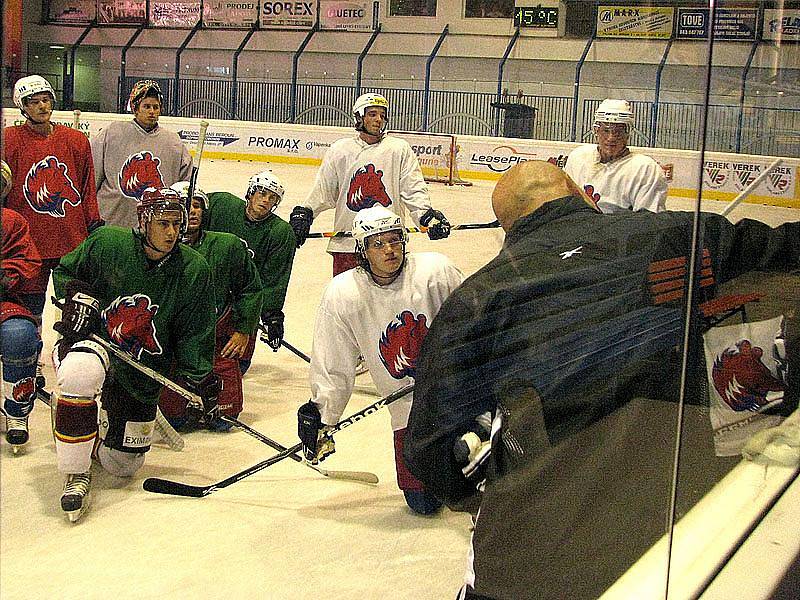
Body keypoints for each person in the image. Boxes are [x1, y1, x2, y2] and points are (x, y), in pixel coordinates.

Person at [404, 161, 800, 598]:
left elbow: (430, 452)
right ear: (582, 192)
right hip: (688, 523)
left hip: (544, 542)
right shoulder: (682, 237)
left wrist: (480, 494)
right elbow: (786, 251)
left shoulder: (478, 299)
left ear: (508, 227)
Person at [51, 187, 218, 522]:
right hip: (95, 341)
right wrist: (77, 300)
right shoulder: (107, 243)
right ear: (144, 222)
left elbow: (196, 329)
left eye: (176, 223)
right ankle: (76, 470)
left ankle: (92, 430)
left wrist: (198, 376)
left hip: (142, 368)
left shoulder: (194, 269)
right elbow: (66, 272)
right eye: (163, 223)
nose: (172, 233)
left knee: (123, 466)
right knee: (79, 373)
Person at [296, 205, 464, 515]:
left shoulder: (435, 272)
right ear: (362, 250)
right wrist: (322, 417)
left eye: (395, 240)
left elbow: (473, 324)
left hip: (454, 397)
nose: (390, 250)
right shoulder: (344, 293)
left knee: (475, 480)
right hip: (405, 410)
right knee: (424, 503)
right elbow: (334, 362)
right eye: (378, 243)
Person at [289, 93, 452, 276]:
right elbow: (323, 191)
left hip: (389, 244)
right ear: (359, 116)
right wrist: (306, 213)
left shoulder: (398, 149)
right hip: (348, 245)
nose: (379, 119)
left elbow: (413, 189)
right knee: (346, 300)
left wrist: (426, 217)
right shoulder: (340, 150)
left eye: (382, 115)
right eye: (372, 114)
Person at [159, 182, 263, 431]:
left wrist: (243, 330)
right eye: (186, 206)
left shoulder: (227, 246)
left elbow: (250, 288)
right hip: (172, 345)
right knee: (174, 417)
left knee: (225, 419)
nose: (192, 211)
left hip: (215, 341)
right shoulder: (155, 250)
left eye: (197, 205)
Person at [3, 75, 102, 334]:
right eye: (34, 102)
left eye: (46, 100)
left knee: (75, 312)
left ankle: (67, 353)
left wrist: (94, 224)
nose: (42, 106)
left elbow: (86, 187)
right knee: (29, 313)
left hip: (70, 241)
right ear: (22, 107)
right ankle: (30, 361)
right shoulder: (9, 141)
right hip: (28, 246)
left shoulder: (76, 140)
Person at [205, 170, 296, 374]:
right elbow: (194, 207)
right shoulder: (221, 204)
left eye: (272, 198)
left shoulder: (280, 233)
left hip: (243, 300)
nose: (265, 201)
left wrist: (271, 314)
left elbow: (274, 279)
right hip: (208, 293)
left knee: (234, 367)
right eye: (262, 193)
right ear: (251, 192)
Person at [91, 79, 192, 228]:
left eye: (156, 107)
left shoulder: (173, 142)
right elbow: (92, 174)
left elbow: (183, 185)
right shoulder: (112, 132)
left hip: (156, 225)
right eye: (146, 106)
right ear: (136, 108)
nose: (152, 111)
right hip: (111, 219)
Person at [1, 160, 43, 453]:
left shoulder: (12, 221)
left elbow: (26, 262)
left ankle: (17, 411)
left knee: (20, 336)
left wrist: (4, 276)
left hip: (4, 301)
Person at [564, 98, 667, 214]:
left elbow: (650, 222)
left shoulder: (645, 169)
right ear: (596, 131)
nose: (611, 138)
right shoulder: (578, 157)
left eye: (618, 131)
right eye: (606, 130)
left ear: (628, 133)